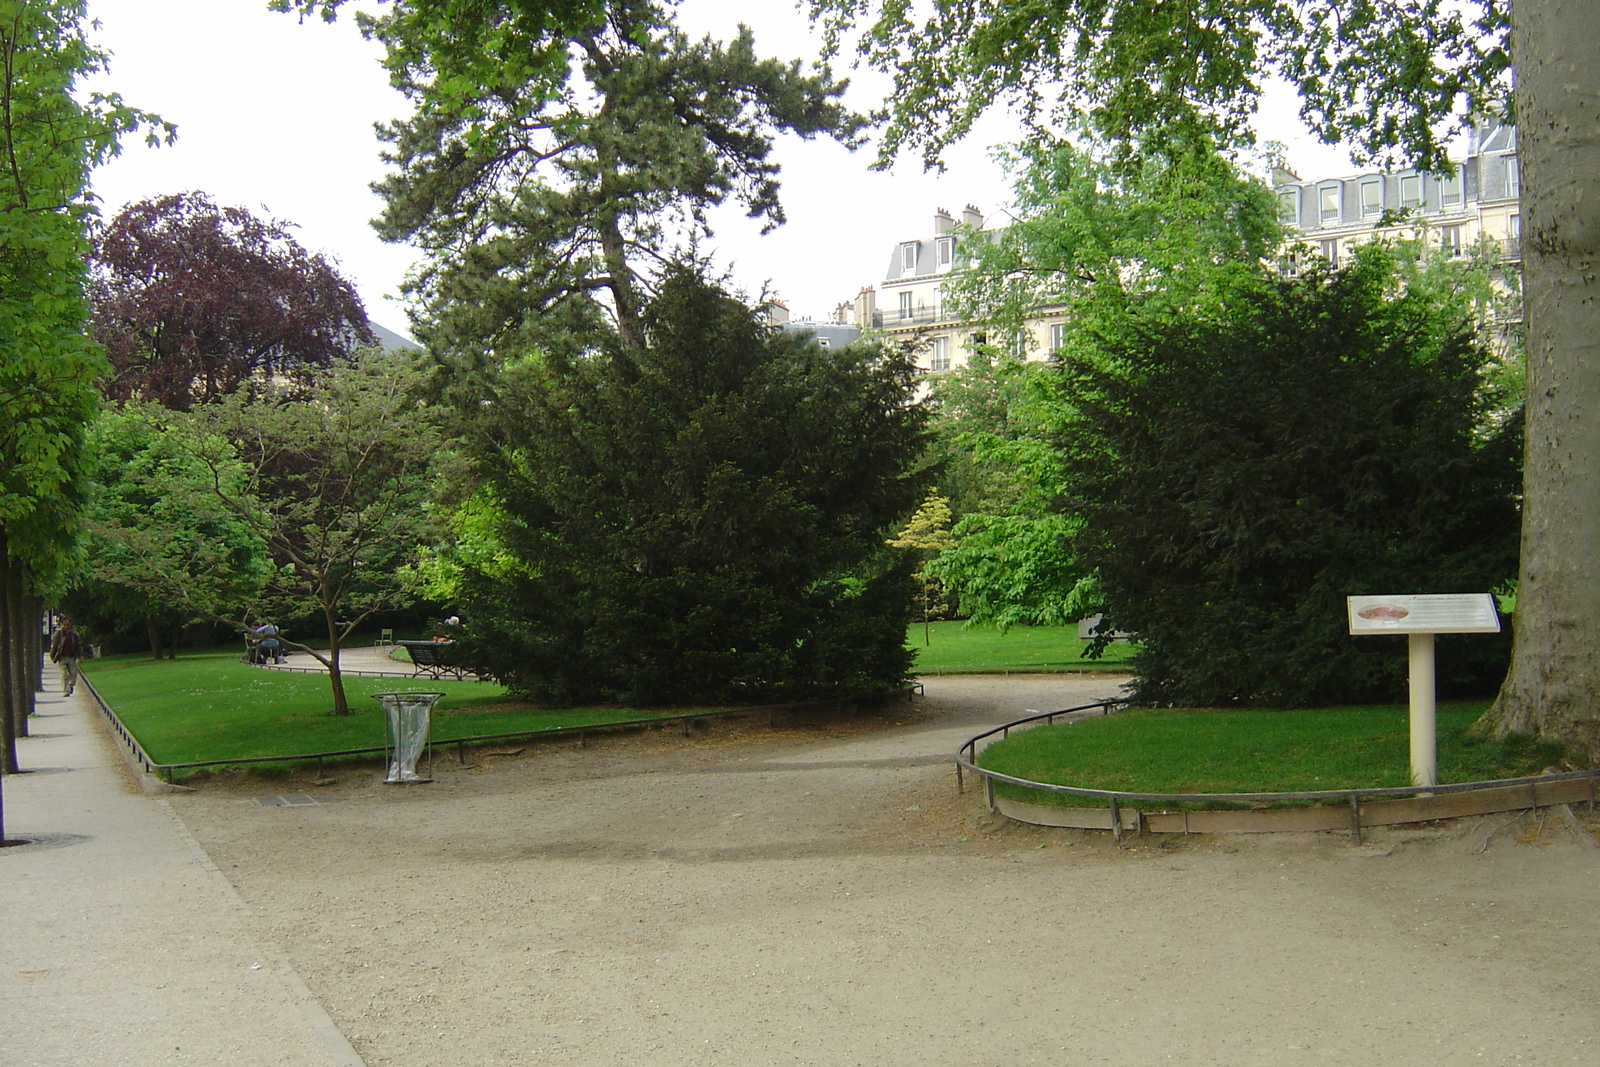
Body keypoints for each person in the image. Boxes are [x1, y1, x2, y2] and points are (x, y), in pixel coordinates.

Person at [49, 617, 85, 697]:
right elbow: (54, 645)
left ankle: (70, 685)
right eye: (64, 625)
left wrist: (80, 656)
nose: (66, 626)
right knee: (64, 674)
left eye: (67, 625)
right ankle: (66, 690)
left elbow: (79, 646)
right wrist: (53, 656)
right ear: (62, 625)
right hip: (62, 657)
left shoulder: (75, 634)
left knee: (73, 674)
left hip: (72, 657)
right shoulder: (58, 634)